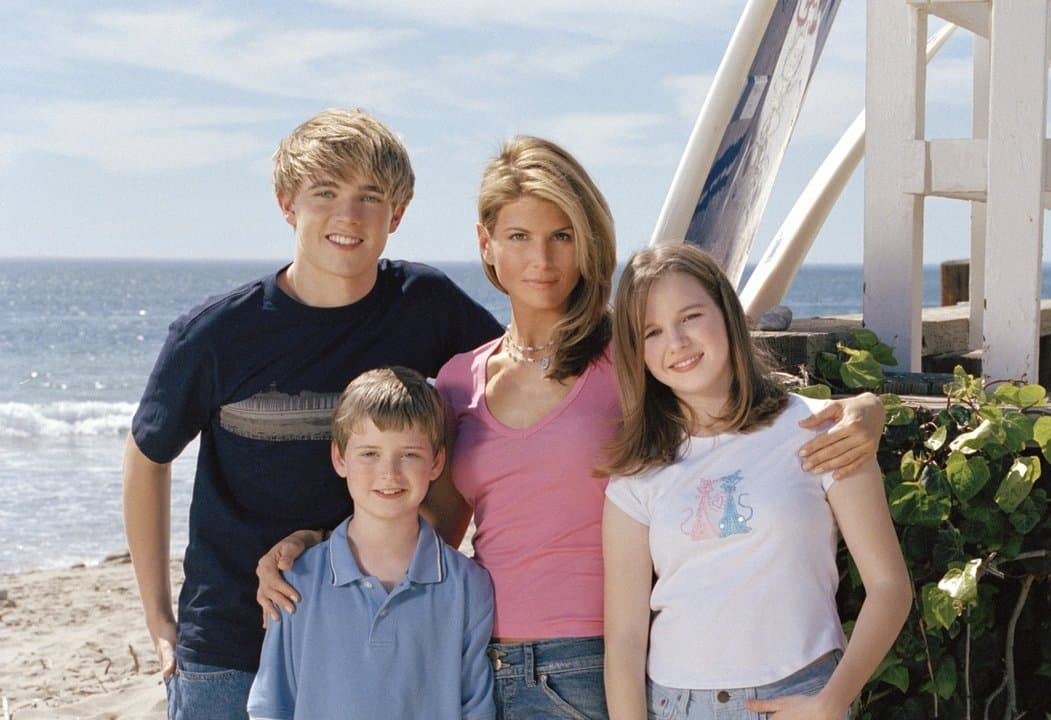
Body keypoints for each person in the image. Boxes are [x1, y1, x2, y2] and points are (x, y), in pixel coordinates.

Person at [256, 136, 886, 719]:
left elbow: (733, 415)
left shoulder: (630, 357)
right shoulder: (457, 382)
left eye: (562, 235)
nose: (542, 259)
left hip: (594, 662)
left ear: (588, 241)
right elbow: (424, 527)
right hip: (478, 656)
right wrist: (316, 550)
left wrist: (866, 409)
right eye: (520, 236)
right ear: (486, 243)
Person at [122, 108, 502, 719]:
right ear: (287, 204)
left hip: (359, 638)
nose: (348, 216)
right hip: (231, 641)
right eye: (325, 192)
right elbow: (147, 457)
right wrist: (159, 617)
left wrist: (437, 530)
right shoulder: (217, 334)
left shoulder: (427, 308)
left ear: (397, 214)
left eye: (369, 197)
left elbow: (501, 399)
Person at [601, 244, 912, 720]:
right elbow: (624, 640)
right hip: (678, 707)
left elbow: (890, 587)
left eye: (690, 317)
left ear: (727, 313)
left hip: (802, 697)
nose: (676, 342)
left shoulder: (821, 430)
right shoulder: (636, 475)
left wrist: (832, 702)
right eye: (652, 332)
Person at [247, 367, 494, 720]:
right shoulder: (296, 581)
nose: (389, 472)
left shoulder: (468, 585)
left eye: (409, 454)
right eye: (369, 454)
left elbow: (476, 708)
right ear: (339, 458)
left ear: (437, 462)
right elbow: (272, 706)